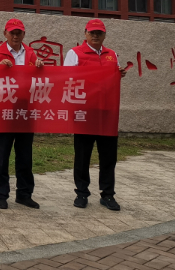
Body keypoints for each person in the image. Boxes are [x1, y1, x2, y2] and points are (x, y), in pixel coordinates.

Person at [63, 19, 127, 211]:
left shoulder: (111, 55)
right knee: (83, 156)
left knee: (108, 156)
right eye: (92, 32)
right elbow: (66, 78)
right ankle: (81, 193)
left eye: (99, 33)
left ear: (105, 35)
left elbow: (112, 78)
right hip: (85, 112)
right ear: (85, 34)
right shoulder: (75, 53)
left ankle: (108, 195)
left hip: (107, 113)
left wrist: (119, 73)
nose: (96, 36)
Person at [0, 18, 44, 210]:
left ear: (24, 34)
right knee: (2, 155)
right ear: (5, 34)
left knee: (25, 155)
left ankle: (24, 194)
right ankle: (1, 194)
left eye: (19, 33)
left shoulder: (31, 53)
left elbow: (39, 80)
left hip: (25, 111)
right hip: (3, 111)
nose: (16, 36)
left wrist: (40, 67)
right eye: (12, 33)